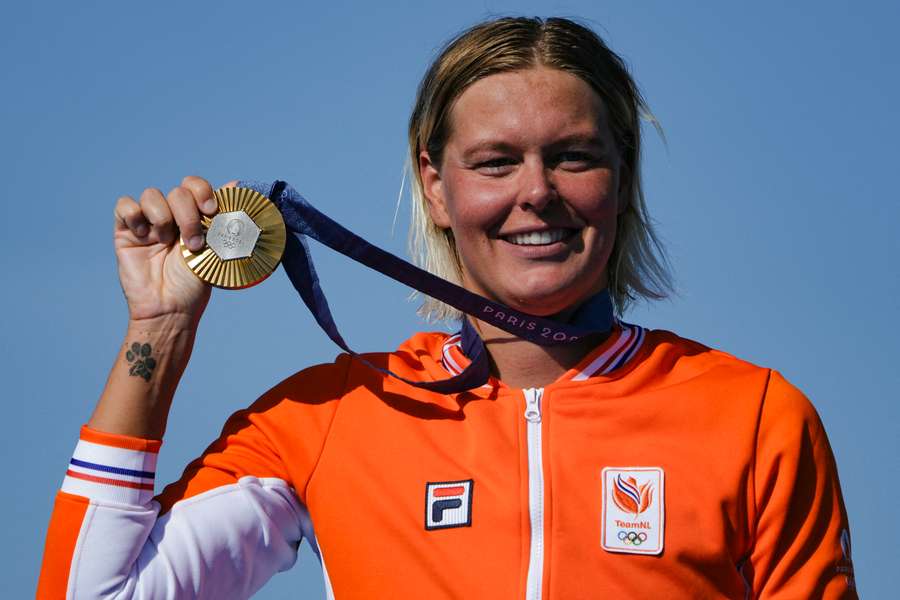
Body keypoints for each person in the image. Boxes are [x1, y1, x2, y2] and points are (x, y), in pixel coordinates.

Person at [37, 16, 856, 599]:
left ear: (622, 174)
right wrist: (160, 329)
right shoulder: (335, 416)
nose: (537, 193)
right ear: (436, 185)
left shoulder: (751, 417)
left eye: (572, 158)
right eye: (495, 162)